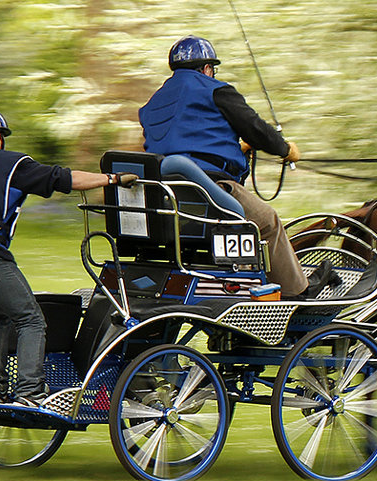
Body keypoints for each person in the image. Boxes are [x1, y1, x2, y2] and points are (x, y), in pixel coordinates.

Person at [0, 106, 138, 407]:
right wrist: (111, 179)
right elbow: (63, 179)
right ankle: (30, 393)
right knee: (31, 319)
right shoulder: (6, 162)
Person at [139, 34, 334, 298]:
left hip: (166, 198)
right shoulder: (217, 90)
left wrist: (235, 149)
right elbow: (255, 129)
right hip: (209, 189)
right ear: (207, 68)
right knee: (268, 222)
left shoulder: (154, 103)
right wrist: (285, 150)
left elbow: (181, 139)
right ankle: (298, 292)